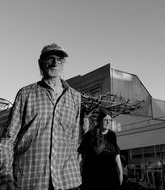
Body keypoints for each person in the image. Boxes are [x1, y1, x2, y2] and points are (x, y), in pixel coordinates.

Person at [0, 43, 82, 190]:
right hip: (30, 180)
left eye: (59, 59)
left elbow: (74, 140)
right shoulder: (25, 94)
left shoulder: (75, 97)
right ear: (40, 63)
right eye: (50, 58)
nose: (55, 63)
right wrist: (6, 175)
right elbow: (8, 139)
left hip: (67, 181)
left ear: (64, 64)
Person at [78, 108, 123, 190]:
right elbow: (80, 154)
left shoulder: (112, 135)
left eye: (110, 120)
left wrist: (120, 173)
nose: (108, 122)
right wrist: (77, 174)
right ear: (100, 120)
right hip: (92, 179)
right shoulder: (90, 134)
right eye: (106, 120)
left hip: (110, 178)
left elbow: (116, 154)